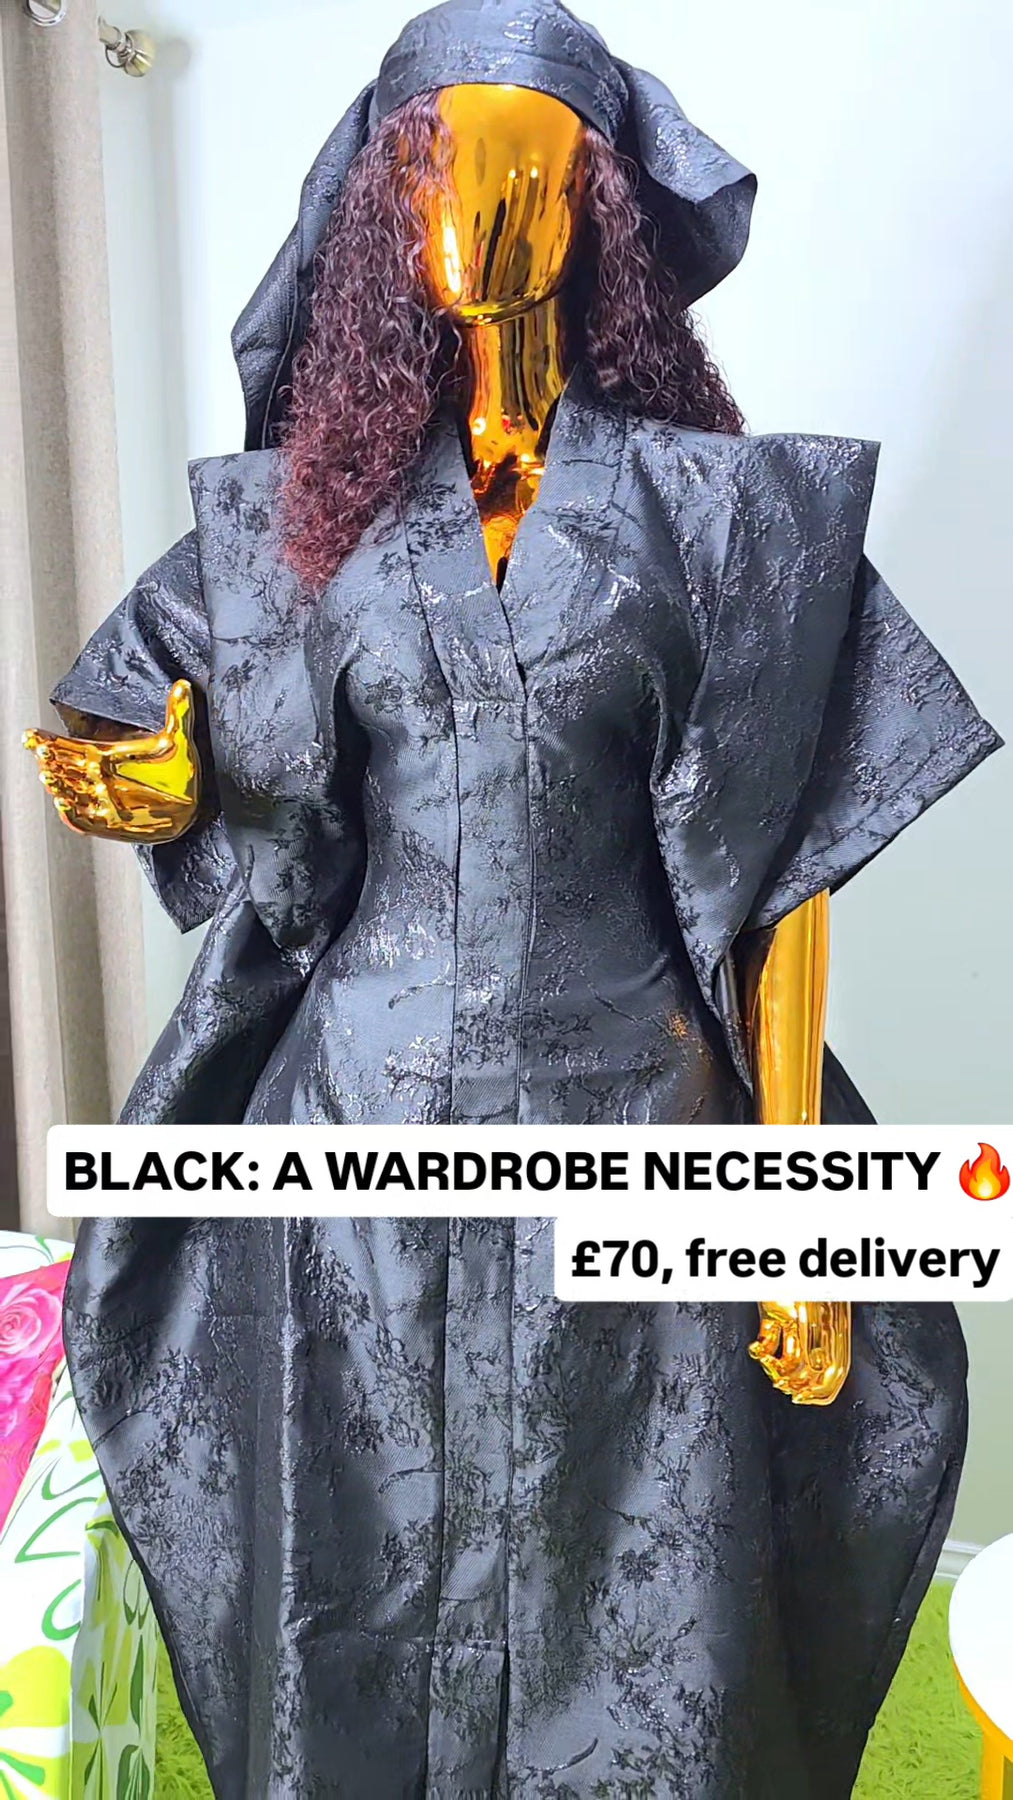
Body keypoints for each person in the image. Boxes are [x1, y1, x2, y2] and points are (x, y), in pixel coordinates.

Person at [26, 1, 1001, 1793]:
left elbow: (786, 872)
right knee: (363, 1560)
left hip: (640, 1110)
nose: (479, 205)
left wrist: (796, 1216)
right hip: (356, 1133)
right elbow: (137, 725)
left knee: (643, 1596)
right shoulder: (298, 523)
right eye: (433, 161)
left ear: (600, 202)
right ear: (380, 211)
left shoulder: (728, 519)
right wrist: (159, 779)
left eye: (528, 164)